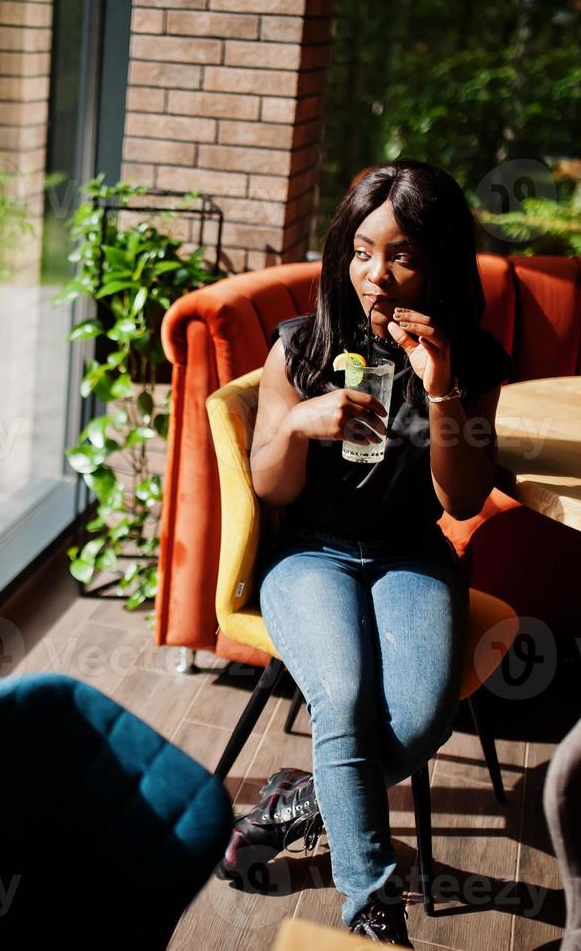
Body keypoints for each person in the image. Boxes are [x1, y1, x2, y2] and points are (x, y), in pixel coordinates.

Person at [213, 159, 513, 946]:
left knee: (414, 722)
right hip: (309, 554)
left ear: (438, 261)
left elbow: (457, 503)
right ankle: (374, 911)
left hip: (409, 552)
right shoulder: (300, 347)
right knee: (340, 698)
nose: (376, 275)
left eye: (403, 255)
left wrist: (441, 384)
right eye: (360, 251)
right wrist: (295, 424)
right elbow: (273, 492)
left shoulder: (470, 359)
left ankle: (292, 802)